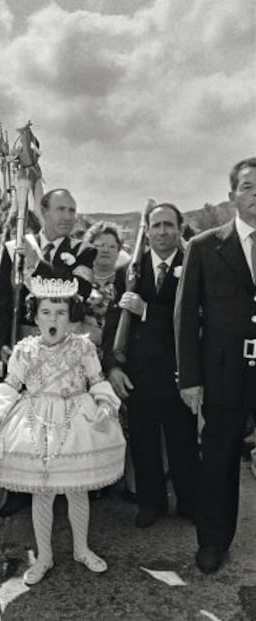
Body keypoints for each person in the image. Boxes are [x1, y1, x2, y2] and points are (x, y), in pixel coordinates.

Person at [0, 270, 126, 585]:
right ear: (35, 317)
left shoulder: (83, 348)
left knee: (77, 490)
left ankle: (81, 548)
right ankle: (44, 556)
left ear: (71, 317)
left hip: (76, 420)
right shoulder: (26, 349)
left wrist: (106, 404)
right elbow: (11, 386)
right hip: (35, 422)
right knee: (43, 492)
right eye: (47, 312)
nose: (54, 319)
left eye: (61, 313)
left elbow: (97, 381)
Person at [0, 188, 97, 517]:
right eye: (61, 209)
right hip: (26, 346)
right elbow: (0, 299)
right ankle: (21, 487)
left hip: (65, 348)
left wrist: (41, 266)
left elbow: (80, 292)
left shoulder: (83, 251)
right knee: (24, 420)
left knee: (65, 418)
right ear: (44, 211)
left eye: (72, 210)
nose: (68, 216)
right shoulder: (16, 247)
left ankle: (67, 484)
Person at [174, 157, 256, 574]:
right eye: (248, 186)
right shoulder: (204, 246)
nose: (255, 194)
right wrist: (190, 378)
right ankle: (212, 541)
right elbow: (186, 316)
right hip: (224, 373)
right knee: (220, 459)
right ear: (232, 197)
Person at [103, 202, 199, 529]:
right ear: (148, 230)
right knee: (143, 442)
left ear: (180, 228)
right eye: (155, 225)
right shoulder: (128, 272)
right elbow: (113, 324)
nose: (161, 232)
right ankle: (150, 503)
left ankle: (189, 502)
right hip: (139, 374)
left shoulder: (194, 265)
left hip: (180, 370)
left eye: (168, 225)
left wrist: (146, 311)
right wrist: (113, 368)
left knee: (183, 441)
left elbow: (195, 320)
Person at [82, 221, 123, 356]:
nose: (106, 250)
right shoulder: (78, 280)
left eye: (112, 246)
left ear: (118, 252)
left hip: (116, 355)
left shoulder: (125, 282)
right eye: (100, 245)